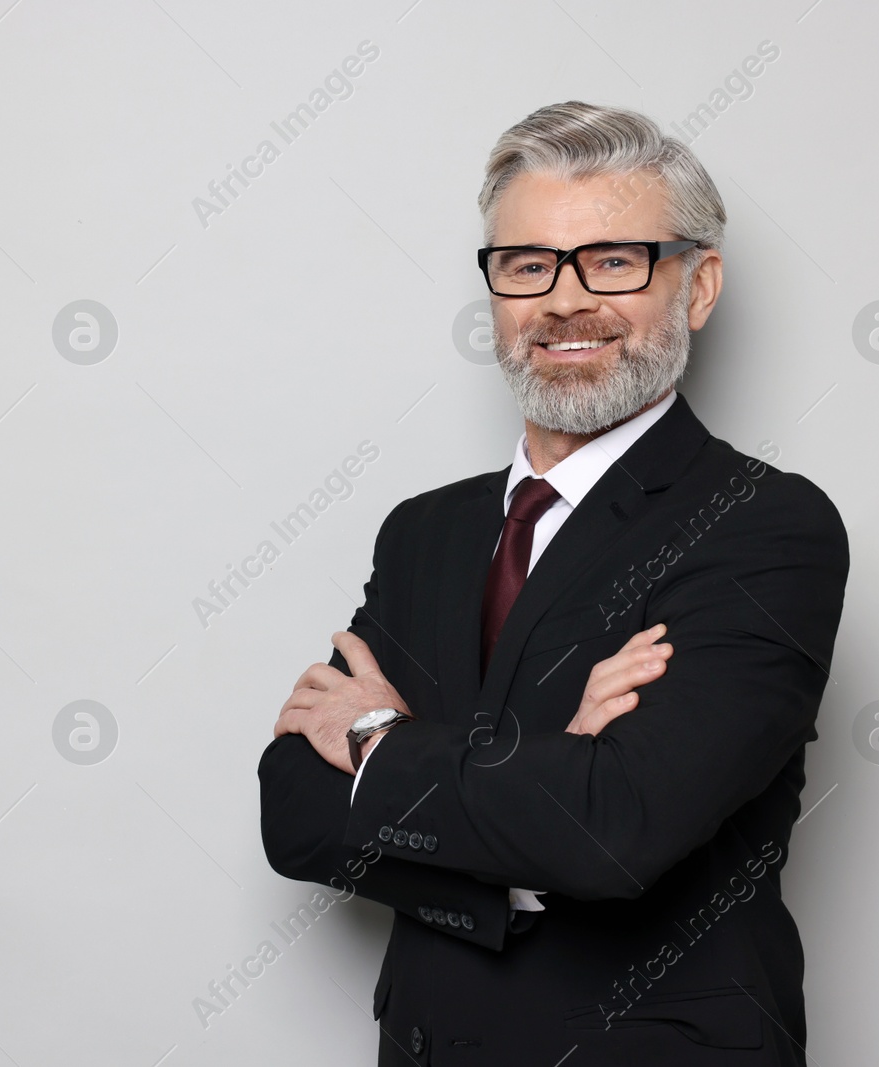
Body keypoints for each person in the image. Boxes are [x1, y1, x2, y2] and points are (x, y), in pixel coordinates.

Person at [257, 101, 849, 1065]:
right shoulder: (424, 533)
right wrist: (549, 772)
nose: (564, 300)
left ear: (697, 286)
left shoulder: (761, 524)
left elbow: (616, 831)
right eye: (529, 264)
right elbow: (297, 812)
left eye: (614, 261)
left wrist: (377, 740)